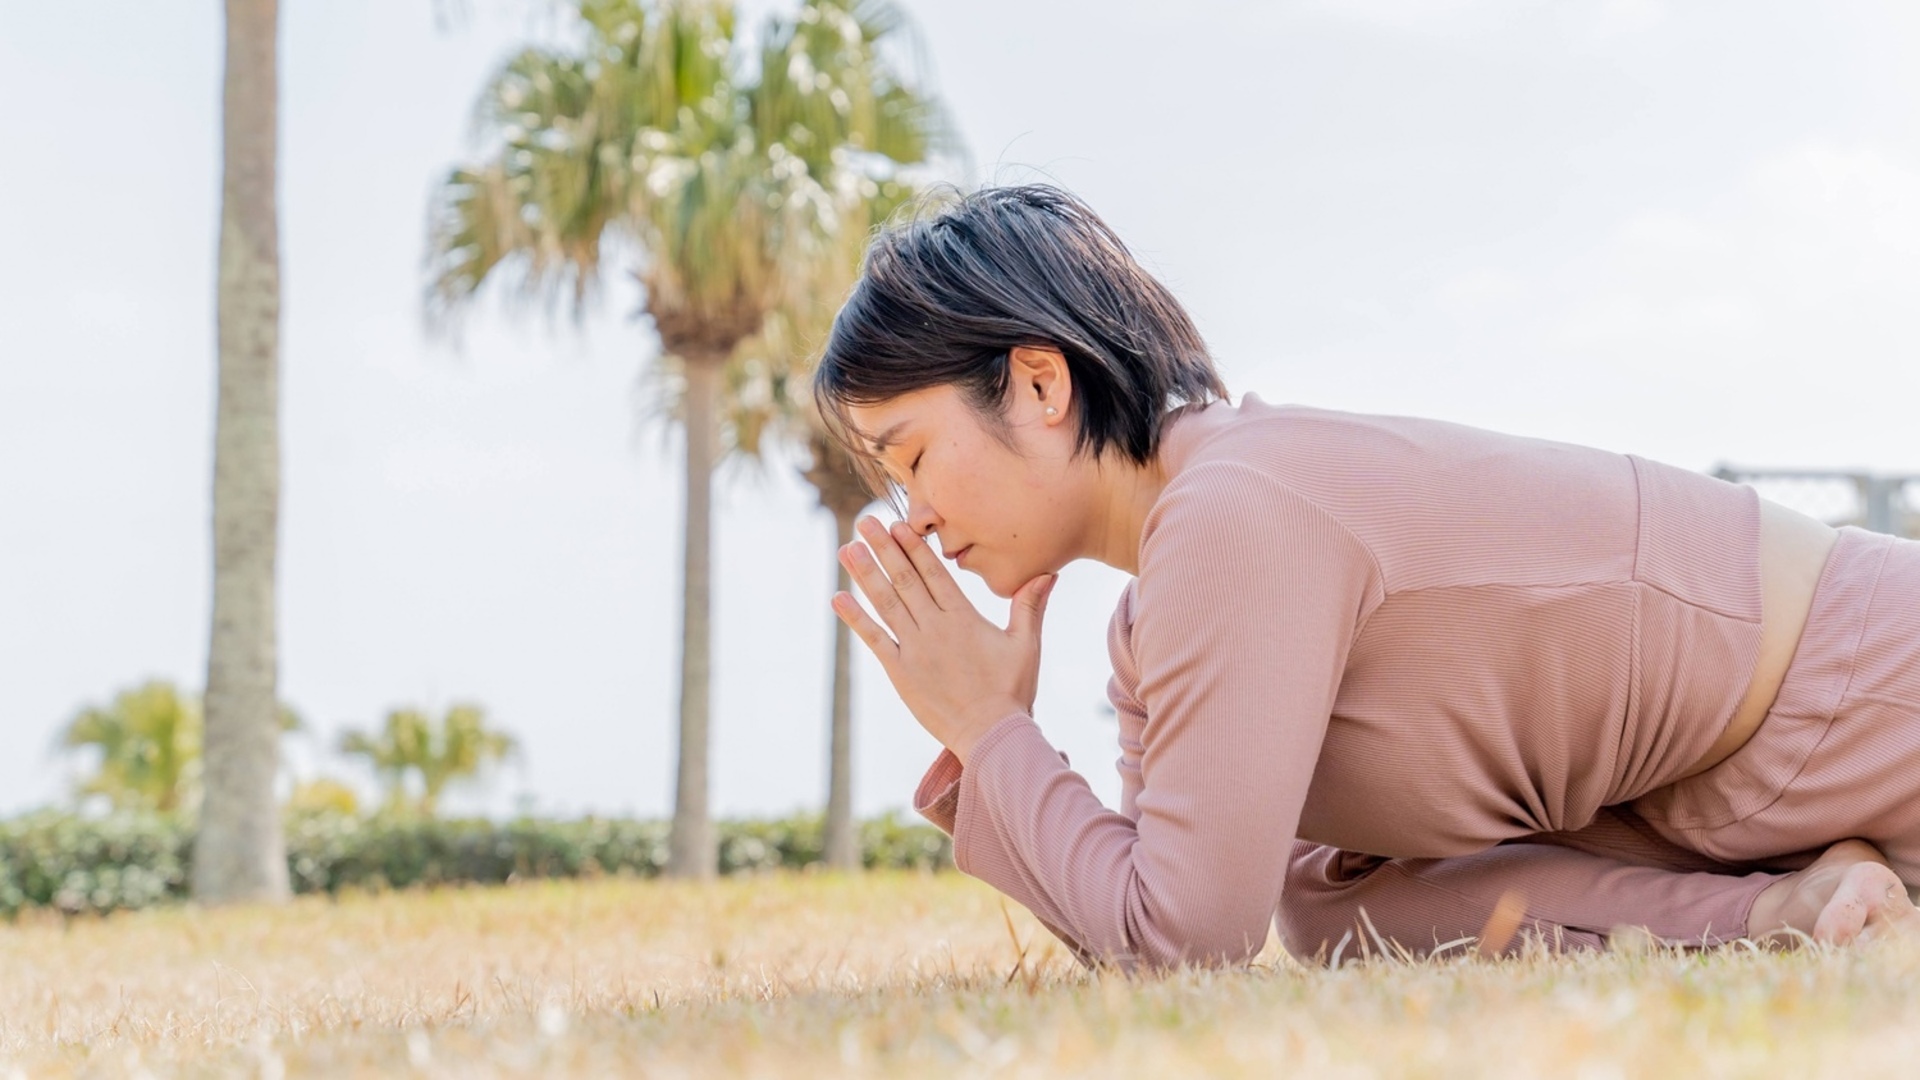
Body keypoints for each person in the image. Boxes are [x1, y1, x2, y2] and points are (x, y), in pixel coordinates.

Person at [810, 184, 1920, 971]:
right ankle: (1794, 913)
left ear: (1041, 385)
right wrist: (994, 731)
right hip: (1726, 804)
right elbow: (1175, 910)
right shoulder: (1159, 617)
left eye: (912, 455)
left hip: (1864, 695)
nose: (917, 516)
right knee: (1322, 901)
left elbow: (1181, 944)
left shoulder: (1236, 508)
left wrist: (992, 733)